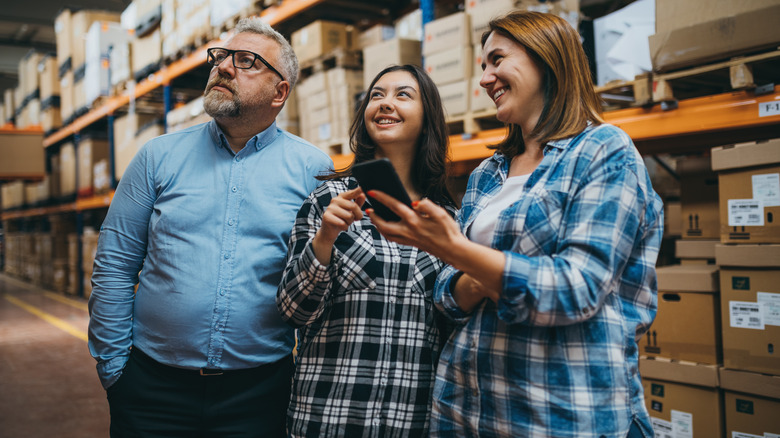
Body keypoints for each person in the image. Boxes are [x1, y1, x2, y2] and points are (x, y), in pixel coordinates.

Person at [368, 11, 664, 438]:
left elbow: (576, 290)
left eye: (497, 60)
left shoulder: (603, 150)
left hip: (560, 413)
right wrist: (478, 275)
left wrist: (461, 254)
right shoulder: (489, 173)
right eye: (483, 66)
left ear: (546, 57)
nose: (486, 78)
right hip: (467, 410)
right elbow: (445, 297)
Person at [87, 17, 332, 437]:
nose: (223, 66)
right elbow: (114, 264)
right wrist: (115, 370)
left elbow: (314, 281)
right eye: (220, 56)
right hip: (151, 391)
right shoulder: (156, 158)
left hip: (259, 395)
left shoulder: (313, 170)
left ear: (280, 92)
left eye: (246, 61)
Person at [276, 64, 457, 437]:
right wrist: (325, 237)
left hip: (411, 422)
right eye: (377, 95)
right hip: (327, 419)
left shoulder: (446, 221)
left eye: (402, 95)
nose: (385, 103)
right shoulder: (328, 199)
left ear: (429, 119)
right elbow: (293, 311)